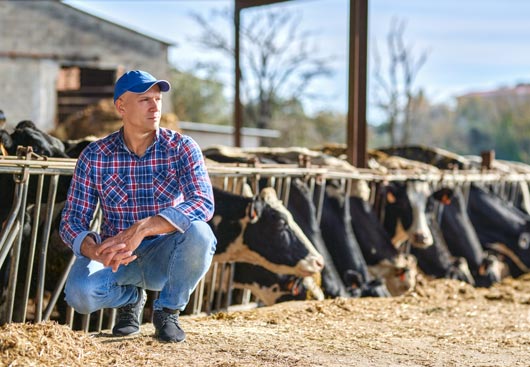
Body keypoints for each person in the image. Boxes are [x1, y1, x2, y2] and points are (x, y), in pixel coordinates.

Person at [59, 70, 216, 343]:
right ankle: (130, 300)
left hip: (167, 255)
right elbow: (71, 219)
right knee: (79, 294)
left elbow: (202, 201)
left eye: (158, 99)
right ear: (121, 106)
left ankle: (167, 311)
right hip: (119, 258)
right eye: (145, 100)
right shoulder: (95, 155)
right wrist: (93, 249)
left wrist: (144, 227)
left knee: (201, 234)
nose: (155, 106)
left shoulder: (182, 147)